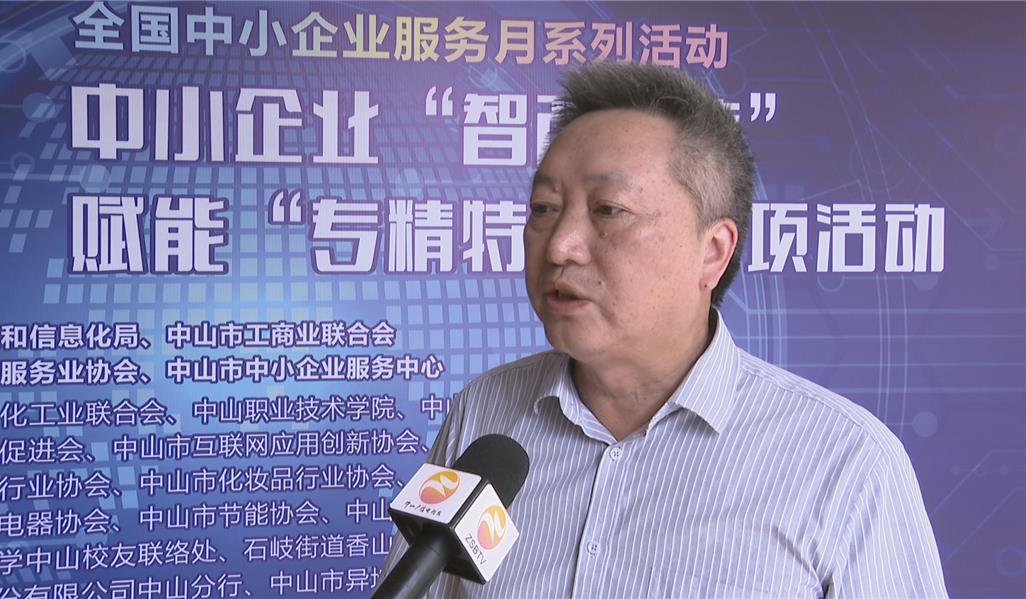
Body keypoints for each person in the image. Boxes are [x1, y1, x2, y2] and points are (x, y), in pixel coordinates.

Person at [381, 63, 947, 598]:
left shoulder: (846, 462)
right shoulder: (485, 413)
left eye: (608, 210)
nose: (560, 246)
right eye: (544, 208)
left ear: (713, 251)